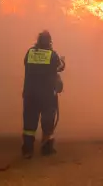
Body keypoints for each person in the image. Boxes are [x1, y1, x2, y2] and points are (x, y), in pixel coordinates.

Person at [21, 30, 65, 159]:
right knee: (47, 122)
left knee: (29, 123)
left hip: (30, 94)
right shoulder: (52, 55)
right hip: (47, 95)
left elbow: (26, 65)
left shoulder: (30, 53)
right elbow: (60, 67)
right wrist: (62, 60)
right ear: (49, 42)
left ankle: (27, 150)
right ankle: (46, 148)